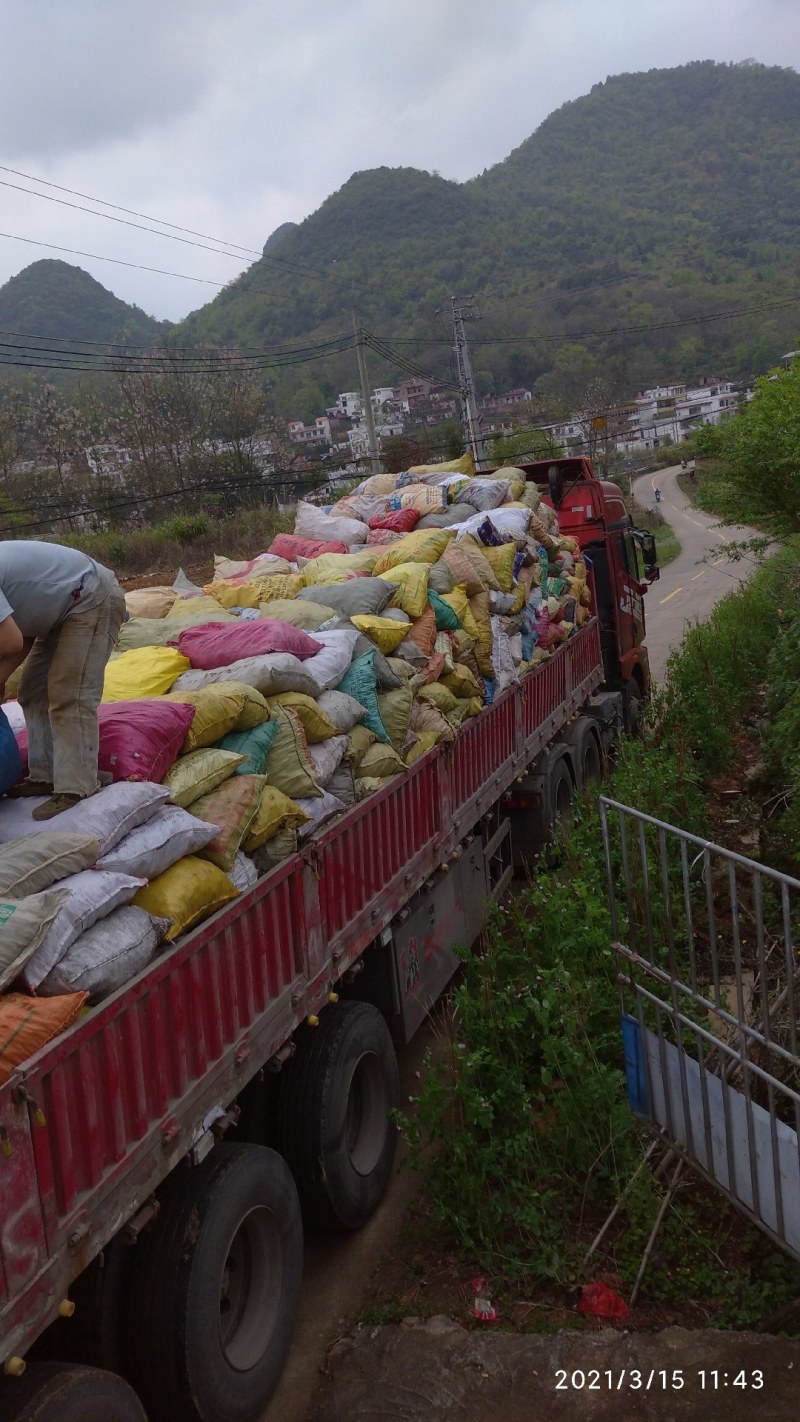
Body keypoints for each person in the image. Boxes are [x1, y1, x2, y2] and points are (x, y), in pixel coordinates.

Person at [0, 541, 125, 820]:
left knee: (69, 691)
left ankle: (77, 785)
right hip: (58, 612)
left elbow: (10, 641)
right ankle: (45, 775)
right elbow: (21, 630)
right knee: (33, 691)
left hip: (91, 597)